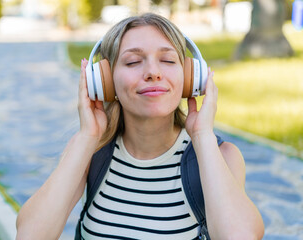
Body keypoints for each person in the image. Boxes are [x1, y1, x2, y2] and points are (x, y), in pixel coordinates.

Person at [16, 13, 264, 239]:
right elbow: (29, 235)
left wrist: (202, 137)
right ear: (104, 82)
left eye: (167, 60)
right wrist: (87, 136)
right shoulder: (89, 152)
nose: (153, 72)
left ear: (190, 76)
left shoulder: (221, 157)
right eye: (133, 62)